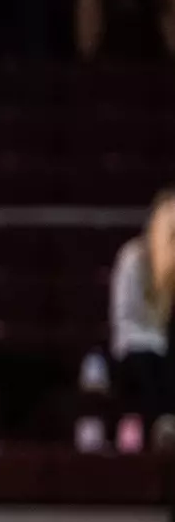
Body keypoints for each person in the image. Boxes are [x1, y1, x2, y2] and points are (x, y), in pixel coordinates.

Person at [110, 188, 175, 453]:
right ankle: (159, 425)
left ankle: (166, 424)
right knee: (149, 362)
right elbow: (123, 317)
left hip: (162, 345)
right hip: (133, 343)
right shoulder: (132, 257)